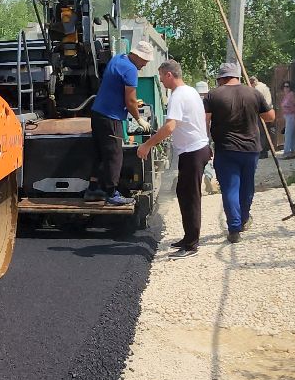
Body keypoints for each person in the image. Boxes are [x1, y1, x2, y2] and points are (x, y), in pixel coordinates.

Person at [137, 59, 210, 255]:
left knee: (190, 197)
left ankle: (191, 245)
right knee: (183, 193)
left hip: (193, 152)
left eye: (161, 76)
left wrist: (147, 145)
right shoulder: (191, 91)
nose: (160, 81)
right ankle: (188, 237)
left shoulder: (177, 96)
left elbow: (170, 126)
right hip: (196, 148)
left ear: (169, 74)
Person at [203, 62, 274, 242]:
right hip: (251, 149)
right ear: (237, 77)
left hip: (226, 149)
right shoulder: (253, 93)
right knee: (247, 186)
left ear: (221, 78)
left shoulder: (213, 95)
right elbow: (270, 117)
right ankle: (243, 219)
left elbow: (205, 121)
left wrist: (206, 143)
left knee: (230, 188)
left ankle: (234, 229)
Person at [86, 40, 153, 206]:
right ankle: (111, 193)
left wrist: (129, 102)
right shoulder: (130, 70)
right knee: (114, 155)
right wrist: (139, 119)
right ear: (138, 56)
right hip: (110, 117)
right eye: (145, 61)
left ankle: (93, 189)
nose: (144, 65)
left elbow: (118, 90)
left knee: (100, 153)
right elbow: (130, 101)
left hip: (97, 113)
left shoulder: (118, 59)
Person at [278, 83, 295, 159]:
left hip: (292, 116)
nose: (286, 88)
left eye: (287, 86)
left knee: (287, 134)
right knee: (292, 134)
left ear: (290, 87)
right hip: (287, 116)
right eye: (284, 86)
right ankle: (293, 151)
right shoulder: (286, 96)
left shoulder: (291, 95)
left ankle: (286, 152)